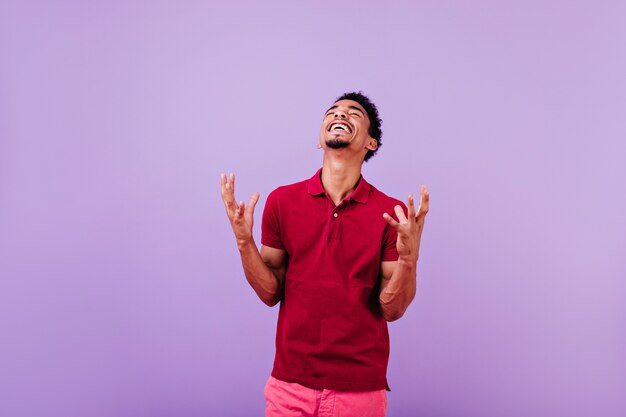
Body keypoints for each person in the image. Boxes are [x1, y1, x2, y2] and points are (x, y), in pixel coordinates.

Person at [220, 92, 429, 417]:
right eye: (332, 111)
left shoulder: (391, 213)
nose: (340, 114)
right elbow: (270, 291)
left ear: (371, 143)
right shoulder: (281, 202)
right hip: (289, 386)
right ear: (320, 139)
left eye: (354, 113)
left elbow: (393, 308)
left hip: (360, 391)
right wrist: (244, 242)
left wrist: (409, 260)